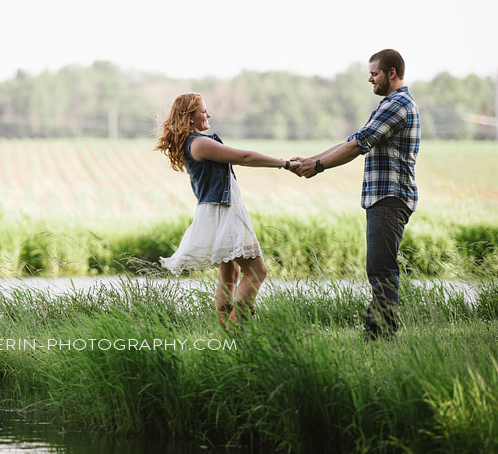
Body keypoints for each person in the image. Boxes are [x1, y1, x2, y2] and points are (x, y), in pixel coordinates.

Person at [291, 49, 419, 340]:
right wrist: (311, 159)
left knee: (382, 269)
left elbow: (358, 145)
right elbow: (352, 141)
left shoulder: (396, 104)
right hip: (384, 198)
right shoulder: (392, 104)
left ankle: (381, 336)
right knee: (379, 268)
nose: (369, 78)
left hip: (390, 197)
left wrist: (318, 166)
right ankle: (377, 335)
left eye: (374, 73)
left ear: (391, 73)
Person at [155, 92, 299, 330]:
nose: (208, 114)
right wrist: (285, 163)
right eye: (203, 111)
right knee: (257, 272)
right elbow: (245, 156)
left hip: (216, 211)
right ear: (189, 117)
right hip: (225, 213)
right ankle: (236, 332)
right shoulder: (199, 143)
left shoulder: (193, 142)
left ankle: (226, 333)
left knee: (229, 277)